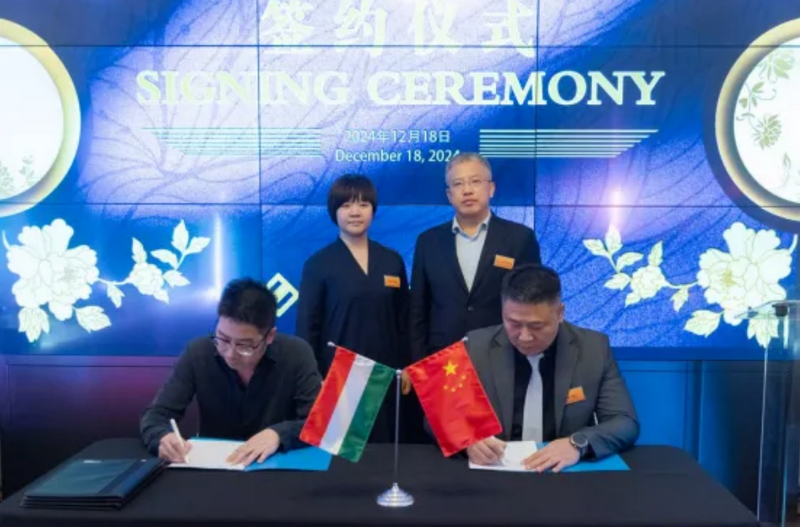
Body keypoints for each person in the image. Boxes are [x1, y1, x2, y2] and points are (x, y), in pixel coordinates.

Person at [464, 264, 639, 472]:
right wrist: (466, 439)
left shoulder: (593, 349)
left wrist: (577, 444)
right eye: (514, 324)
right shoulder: (475, 347)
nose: (524, 337)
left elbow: (624, 422)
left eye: (536, 326)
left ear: (560, 313)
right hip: (496, 471)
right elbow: (437, 416)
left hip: (562, 473)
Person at [140, 278, 321, 466]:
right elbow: (156, 415)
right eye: (223, 339)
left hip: (274, 466)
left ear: (270, 336)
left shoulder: (296, 354)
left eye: (244, 345)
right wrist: (162, 437)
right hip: (215, 467)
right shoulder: (198, 352)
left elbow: (318, 423)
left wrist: (278, 434)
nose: (230, 354)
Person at [406, 152, 541, 393]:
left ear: (491, 189)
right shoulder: (428, 241)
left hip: (503, 360)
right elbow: (417, 309)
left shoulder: (519, 238)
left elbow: (533, 303)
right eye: (458, 184)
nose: (467, 190)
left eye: (475, 181)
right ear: (449, 195)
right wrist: (419, 364)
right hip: (442, 363)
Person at [296, 174, 409, 442]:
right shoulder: (318, 264)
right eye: (346, 205)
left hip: (384, 374)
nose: (355, 212)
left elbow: (404, 320)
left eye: (363, 204)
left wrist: (407, 366)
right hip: (338, 377)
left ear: (373, 210)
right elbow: (307, 327)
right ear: (334, 211)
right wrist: (315, 377)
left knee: (383, 450)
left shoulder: (392, 260)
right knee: (343, 453)